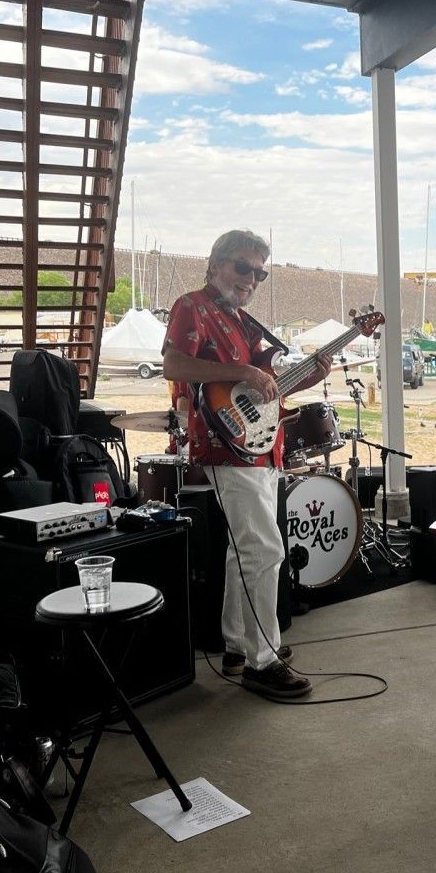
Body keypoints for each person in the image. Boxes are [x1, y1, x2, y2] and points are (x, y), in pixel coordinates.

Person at [162, 229, 330, 699]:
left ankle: (238, 644)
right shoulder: (192, 306)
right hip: (225, 448)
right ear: (216, 263)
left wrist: (303, 377)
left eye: (259, 272)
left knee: (244, 551)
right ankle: (263, 660)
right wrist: (243, 371)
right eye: (242, 267)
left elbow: (260, 393)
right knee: (266, 549)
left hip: (257, 446)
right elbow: (174, 365)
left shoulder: (244, 322)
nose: (250, 279)